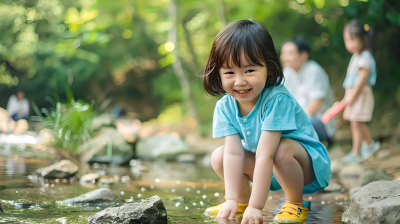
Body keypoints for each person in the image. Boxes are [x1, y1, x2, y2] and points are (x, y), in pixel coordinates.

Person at [202, 19, 331, 224]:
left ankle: (295, 203)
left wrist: (257, 207)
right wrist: (231, 199)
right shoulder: (225, 107)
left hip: (305, 168)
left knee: (281, 148)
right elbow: (234, 153)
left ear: (268, 68)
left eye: (249, 70)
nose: (240, 81)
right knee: (220, 155)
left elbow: (265, 154)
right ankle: (241, 201)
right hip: (270, 170)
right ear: (218, 73)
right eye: (229, 72)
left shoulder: (276, 99)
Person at [281, 37, 335, 147]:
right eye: (283, 53)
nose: (284, 57)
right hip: (298, 122)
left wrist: (289, 122)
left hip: (319, 123)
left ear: (303, 55)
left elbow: (315, 106)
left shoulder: (313, 71)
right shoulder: (287, 73)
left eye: (289, 53)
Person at [338, 20, 380, 164]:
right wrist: (346, 98)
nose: (350, 44)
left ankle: (362, 149)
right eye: (347, 41)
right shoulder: (355, 57)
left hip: (361, 96)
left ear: (364, 39)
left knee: (357, 121)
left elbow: (362, 80)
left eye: (353, 39)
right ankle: (365, 147)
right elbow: (350, 81)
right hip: (353, 96)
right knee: (355, 122)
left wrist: (351, 98)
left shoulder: (366, 57)